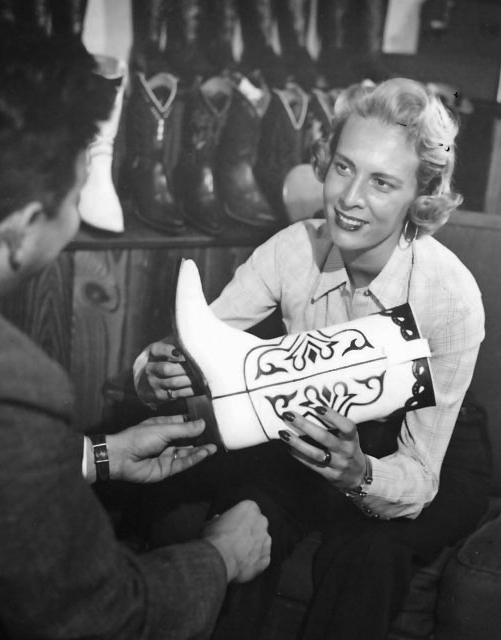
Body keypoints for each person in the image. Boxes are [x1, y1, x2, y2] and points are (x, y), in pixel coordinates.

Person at [0, 21, 272, 640]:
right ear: (24, 228)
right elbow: (102, 621)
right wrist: (220, 555)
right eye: (76, 194)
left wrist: (96, 457)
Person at [135, 77, 488, 639]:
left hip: (421, 451)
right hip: (304, 430)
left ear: (419, 196)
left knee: (369, 552)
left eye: (381, 182)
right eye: (344, 168)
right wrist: (156, 374)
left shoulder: (450, 297)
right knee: (244, 518)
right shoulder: (293, 247)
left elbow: (421, 473)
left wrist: (358, 473)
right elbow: (203, 339)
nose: (350, 198)